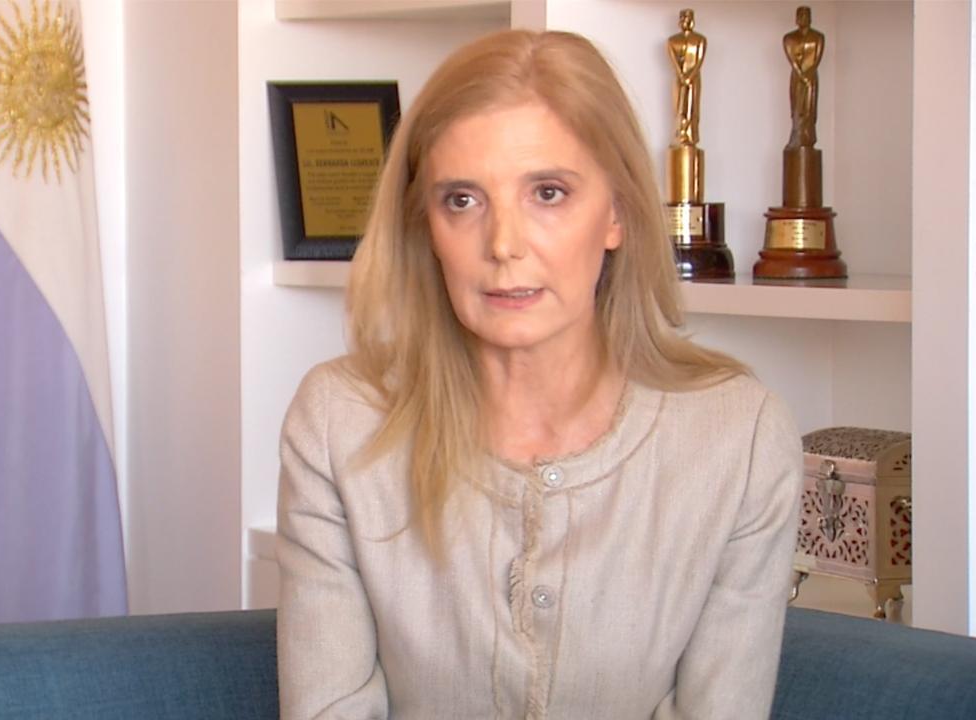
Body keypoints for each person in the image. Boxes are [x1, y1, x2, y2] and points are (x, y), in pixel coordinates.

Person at [276, 29, 801, 720]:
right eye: (461, 200)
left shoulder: (740, 438)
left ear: (616, 213)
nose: (503, 245)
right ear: (424, 226)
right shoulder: (338, 423)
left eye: (548, 193)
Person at [784, 6, 824, 148]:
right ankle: (797, 136)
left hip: (811, 78)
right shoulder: (789, 38)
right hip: (797, 78)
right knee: (797, 108)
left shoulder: (818, 37)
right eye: (800, 15)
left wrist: (808, 75)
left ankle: (808, 137)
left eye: (806, 15)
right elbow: (792, 60)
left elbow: (817, 59)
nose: (803, 18)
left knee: (809, 109)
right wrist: (800, 75)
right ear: (796, 18)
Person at [668, 8, 707, 147]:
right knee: (679, 108)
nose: (686, 21)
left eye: (689, 18)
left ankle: (691, 135)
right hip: (680, 79)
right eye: (683, 18)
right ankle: (680, 133)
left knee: (692, 108)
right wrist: (681, 75)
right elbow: (674, 60)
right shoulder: (673, 41)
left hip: (693, 79)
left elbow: (699, 60)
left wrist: (690, 77)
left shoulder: (700, 40)